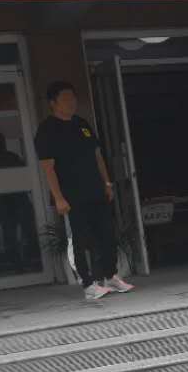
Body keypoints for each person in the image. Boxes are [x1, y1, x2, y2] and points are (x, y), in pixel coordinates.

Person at [34, 81, 135, 302]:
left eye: (73, 98)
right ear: (53, 103)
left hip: (96, 189)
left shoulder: (82, 123)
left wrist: (107, 183)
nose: (71, 102)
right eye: (65, 99)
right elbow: (48, 167)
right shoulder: (47, 130)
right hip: (72, 195)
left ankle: (110, 276)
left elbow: (97, 156)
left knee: (106, 233)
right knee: (80, 238)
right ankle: (88, 283)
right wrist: (58, 197)